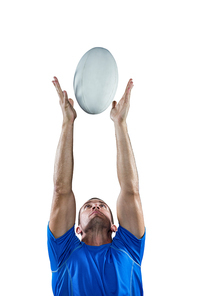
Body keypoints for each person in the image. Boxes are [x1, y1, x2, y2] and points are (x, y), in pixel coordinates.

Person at [47, 76, 146, 296]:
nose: (95, 206)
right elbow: (61, 191)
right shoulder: (64, 253)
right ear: (77, 229)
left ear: (115, 226)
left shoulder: (128, 248)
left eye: (101, 205)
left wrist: (120, 123)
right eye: (88, 206)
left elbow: (131, 192)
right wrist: (67, 123)